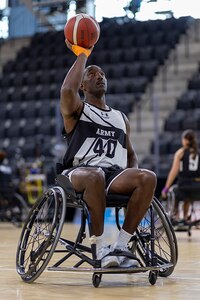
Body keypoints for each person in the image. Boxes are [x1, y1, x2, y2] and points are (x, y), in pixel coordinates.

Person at [60, 41, 157, 268]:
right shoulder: (78, 108)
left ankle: (121, 245)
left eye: (102, 74)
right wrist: (83, 54)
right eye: (92, 74)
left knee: (147, 177)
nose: (99, 76)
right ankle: (100, 246)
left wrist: (129, 176)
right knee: (95, 175)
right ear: (82, 85)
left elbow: (130, 154)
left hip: (112, 175)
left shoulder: (121, 118)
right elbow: (66, 90)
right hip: (79, 172)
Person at [161, 129, 200, 225]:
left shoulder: (181, 152)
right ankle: (186, 218)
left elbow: (173, 172)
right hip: (198, 187)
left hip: (184, 186)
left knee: (175, 191)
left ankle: (175, 216)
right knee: (188, 196)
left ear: (186, 140)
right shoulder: (198, 153)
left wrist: (165, 188)